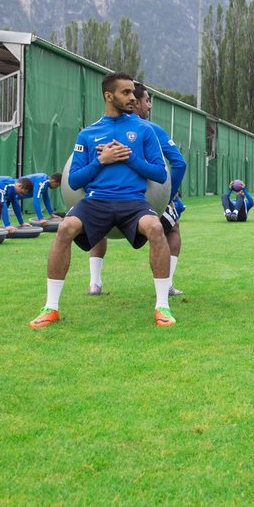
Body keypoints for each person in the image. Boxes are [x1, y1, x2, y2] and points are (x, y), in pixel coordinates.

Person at [29, 71, 172, 329]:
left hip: (132, 200)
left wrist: (130, 158)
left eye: (133, 92)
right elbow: (74, 181)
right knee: (64, 228)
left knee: (155, 227)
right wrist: (101, 161)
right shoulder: (88, 134)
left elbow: (160, 173)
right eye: (125, 92)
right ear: (109, 96)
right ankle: (51, 308)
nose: (132, 97)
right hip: (96, 201)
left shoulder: (144, 131)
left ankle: (162, 306)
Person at [87, 82, 187, 298]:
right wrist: (167, 198)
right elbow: (179, 164)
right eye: (147, 100)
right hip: (143, 201)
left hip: (105, 197)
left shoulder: (97, 127)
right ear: (136, 103)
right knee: (172, 228)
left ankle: (94, 283)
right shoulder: (150, 129)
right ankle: (166, 285)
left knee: (97, 227)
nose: (149, 106)